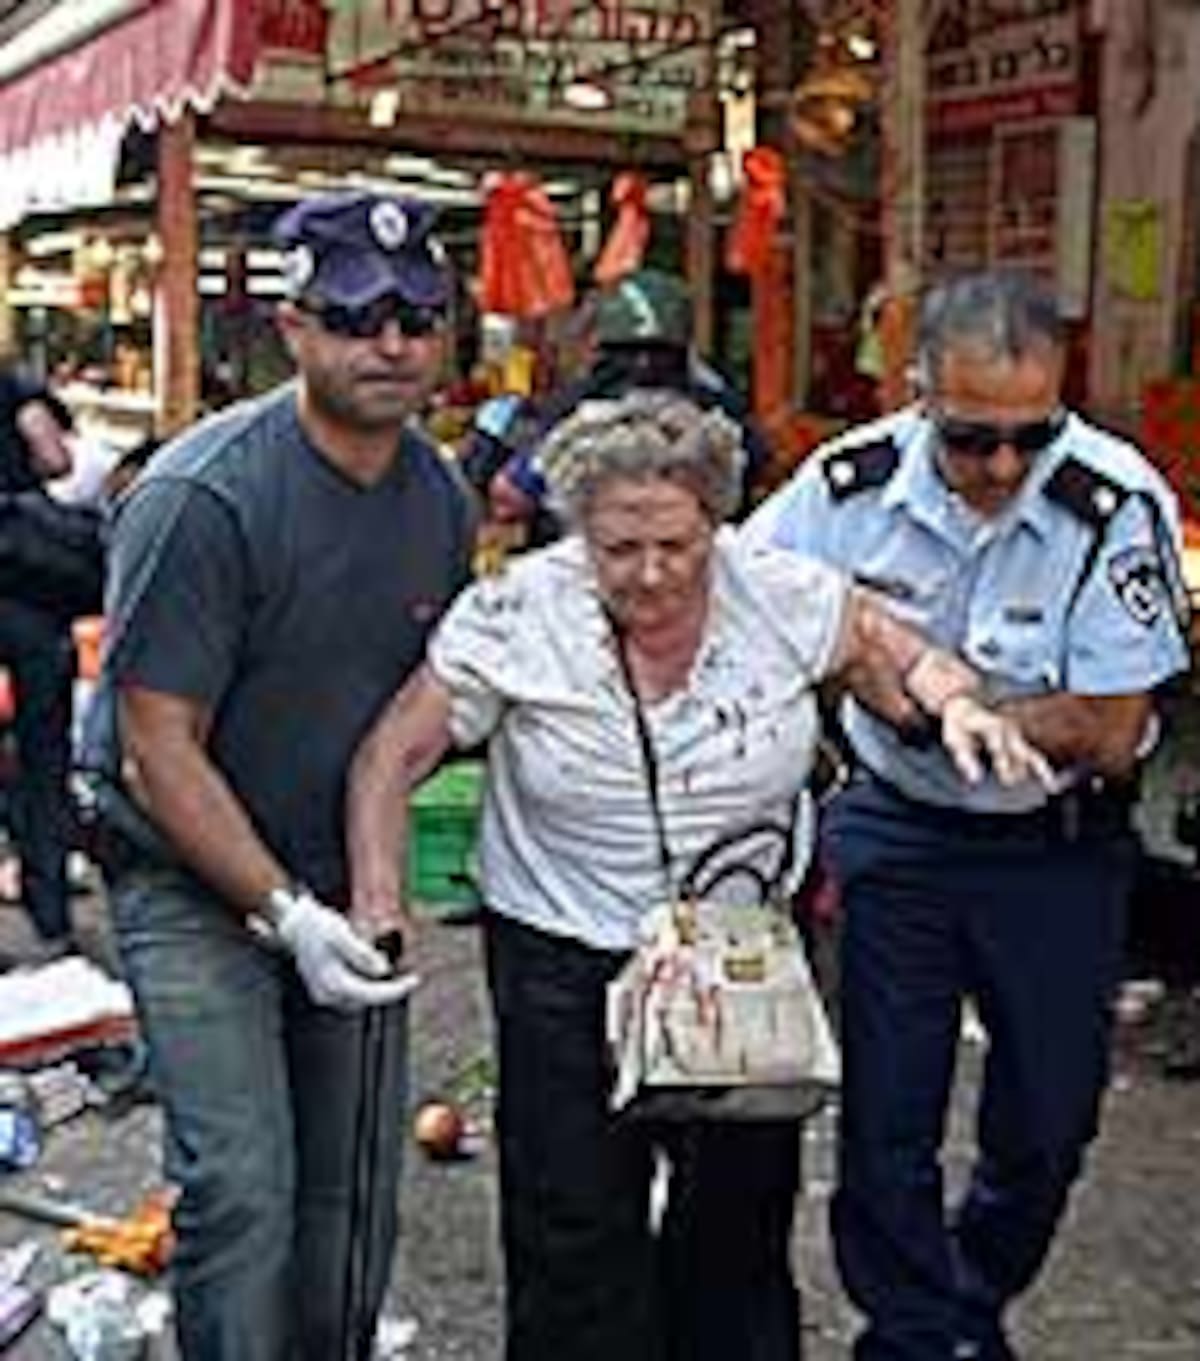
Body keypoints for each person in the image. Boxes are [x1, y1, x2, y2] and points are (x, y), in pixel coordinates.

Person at [346, 389, 1049, 1361]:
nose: (649, 573)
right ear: (576, 530)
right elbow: (391, 753)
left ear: (715, 523)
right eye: (617, 548)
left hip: (739, 963)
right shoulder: (517, 612)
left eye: (676, 545)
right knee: (574, 1230)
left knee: (736, 1228)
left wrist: (959, 701)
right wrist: (380, 897)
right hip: (566, 958)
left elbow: (897, 648)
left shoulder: (780, 589)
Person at [744, 269, 1191, 1361]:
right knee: (886, 1118)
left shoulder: (1111, 496)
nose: (1000, 467)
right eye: (969, 438)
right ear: (917, 394)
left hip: (1054, 848)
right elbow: (752, 603)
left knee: (1049, 1121)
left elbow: (1104, 718)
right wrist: (882, 685)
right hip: (896, 829)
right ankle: (912, 1332)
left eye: (1026, 437)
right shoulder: (845, 489)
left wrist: (924, 691)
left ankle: (962, 1303)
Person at [84, 191, 474, 1360]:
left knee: (355, 1194)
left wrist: (373, 890)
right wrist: (284, 913)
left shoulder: (441, 497)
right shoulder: (203, 497)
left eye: (418, 314)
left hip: (335, 864)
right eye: (358, 315)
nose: (391, 343)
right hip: (186, 878)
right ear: (296, 327)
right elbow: (159, 749)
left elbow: (411, 722)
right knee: (242, 1183)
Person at [485, 268, 771, 533]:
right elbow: (756, 468)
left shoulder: (569, 412)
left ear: (600, 343)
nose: (642, 366)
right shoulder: (719, 410)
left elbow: (510, 495)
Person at [0, 361, 78, 956]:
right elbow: (56, 460)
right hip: (26, 592)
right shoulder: (12, 383)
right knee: (44, 754)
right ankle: (48, 907)